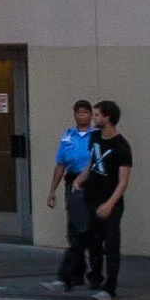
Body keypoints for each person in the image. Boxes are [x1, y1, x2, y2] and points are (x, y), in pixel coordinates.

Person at [83, 100, 134, 296]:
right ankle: (95, 277)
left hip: (110, 200)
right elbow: (92, 162)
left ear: (107, 118)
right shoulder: (95, 137)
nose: (93, 118)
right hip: (92, 196)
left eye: (97, 115)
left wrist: (110, 204)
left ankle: (110, 287)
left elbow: (123, 181)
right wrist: (81, 178)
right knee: (93, 241)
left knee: (111, 244)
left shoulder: (121, 146)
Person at [46, 98, 96, 289]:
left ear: (91, 115)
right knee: (75, 228)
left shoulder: (96, 135)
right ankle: (77, 273)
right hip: (72, 180)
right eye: (78, 112)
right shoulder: (68, 136)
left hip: (90, 182)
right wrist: (52, 190)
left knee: (89, 229)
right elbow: (61, 163)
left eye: (85, 112)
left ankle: (91, 273)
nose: (82, 116)